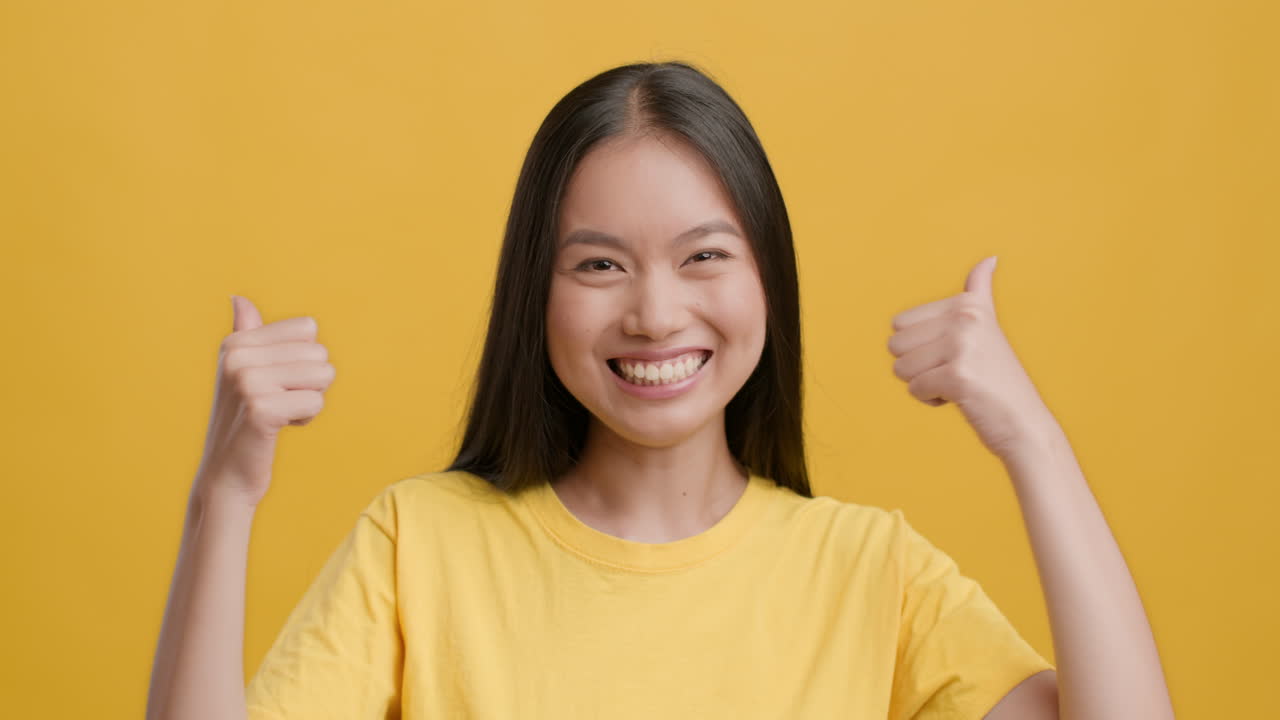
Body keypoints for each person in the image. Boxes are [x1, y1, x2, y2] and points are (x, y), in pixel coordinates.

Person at [147, 61, 1053, 720]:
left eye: (704, 255)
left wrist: (1032, 441)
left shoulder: (872, 570)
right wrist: (222, 498)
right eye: (599, 265)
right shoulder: (416, 545)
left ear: (767, 277)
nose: (656, 314)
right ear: (532, 297)